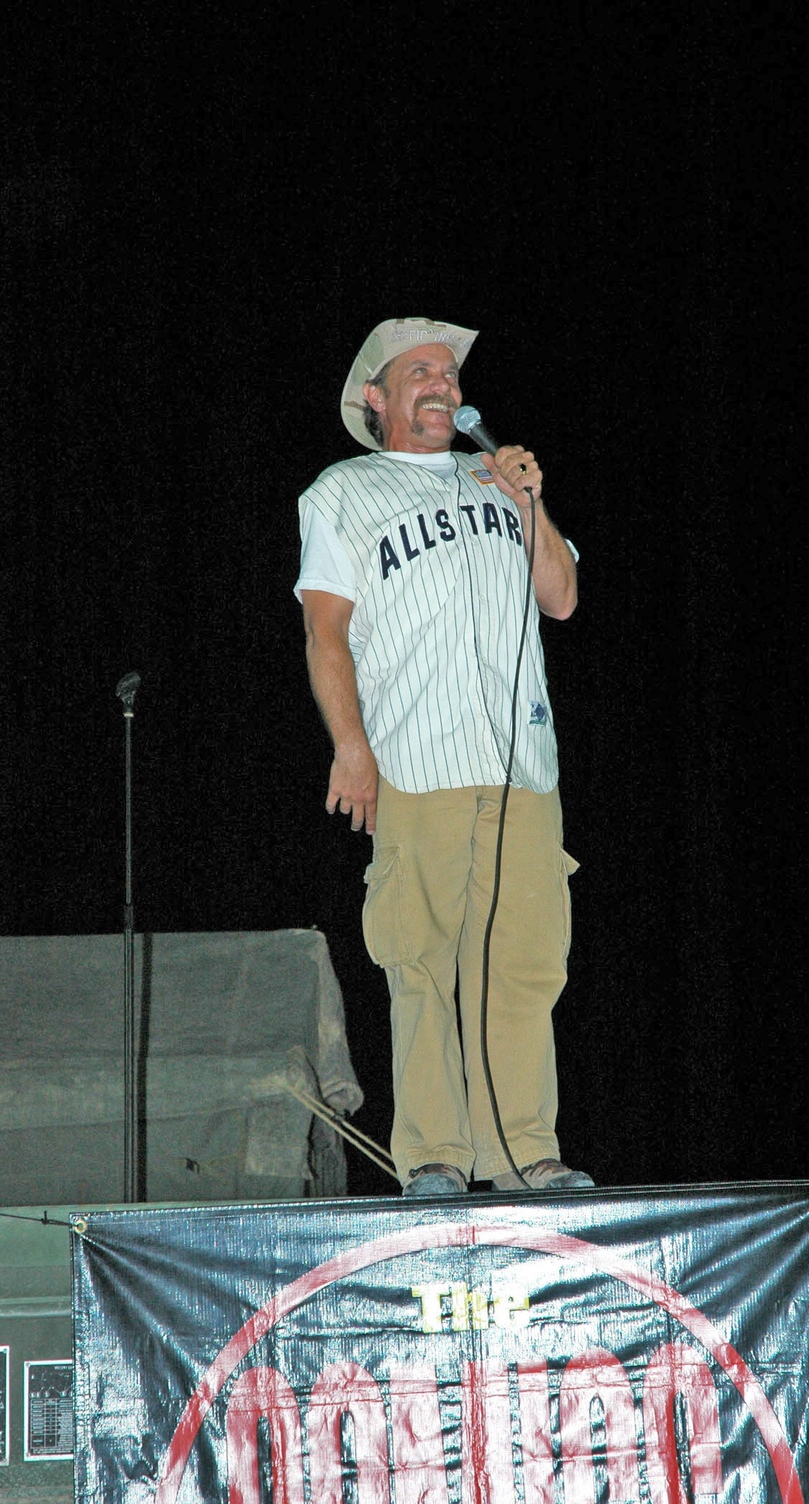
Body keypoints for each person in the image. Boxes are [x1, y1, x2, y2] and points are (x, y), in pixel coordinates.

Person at [295, 317, 592, 1197]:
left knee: (525, 963)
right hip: (416, 762)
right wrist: (351, 747)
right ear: (376, 398)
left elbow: (562, 598)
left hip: (521, 764)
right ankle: (433, 1157)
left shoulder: (499, 481)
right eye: (420, 370)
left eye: (452, 373)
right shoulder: (344, 491)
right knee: (420, 960)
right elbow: (325, 633)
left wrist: (530, 501)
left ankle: (525, 1154)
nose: (444, 384)